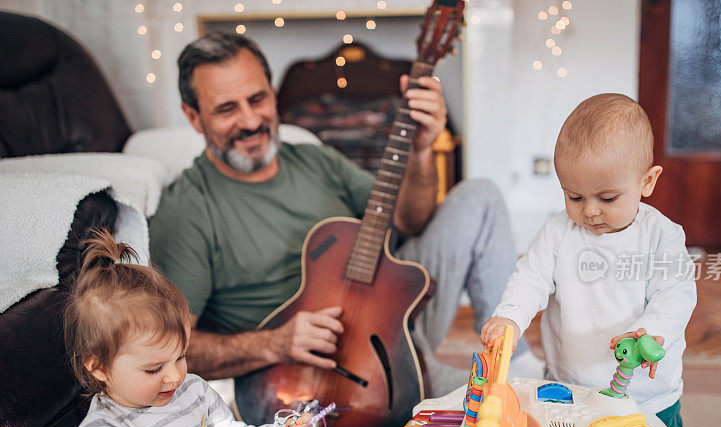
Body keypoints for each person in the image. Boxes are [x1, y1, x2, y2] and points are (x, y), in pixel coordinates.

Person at [148, 32, 535, 398]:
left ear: (273, 94)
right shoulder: (186, 211)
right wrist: (274, 343)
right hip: (319, 372)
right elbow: (172, 349)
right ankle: (447, 383)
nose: (250, 121)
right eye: (227, 109)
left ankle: (512, 361)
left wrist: (420, 150)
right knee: (484, 404)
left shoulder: (315, 160)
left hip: (396, 307)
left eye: (258, 99)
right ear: (194, 116)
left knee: (479, 194)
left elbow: (408, 221)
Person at [482, 93, 698, 427]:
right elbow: (530, 279)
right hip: (573, 387)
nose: (591, 211)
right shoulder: (559, 233)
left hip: (648, 394)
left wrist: (652, 332)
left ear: (648, 181)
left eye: (607, 196)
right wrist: (509, 317)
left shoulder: (662, 237)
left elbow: (676, 294)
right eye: (574, 196)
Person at [67, 230, 314, 427]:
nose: (174, 376)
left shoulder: (194, 390)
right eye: (154, 368)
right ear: (99, 367)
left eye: (180, 356)